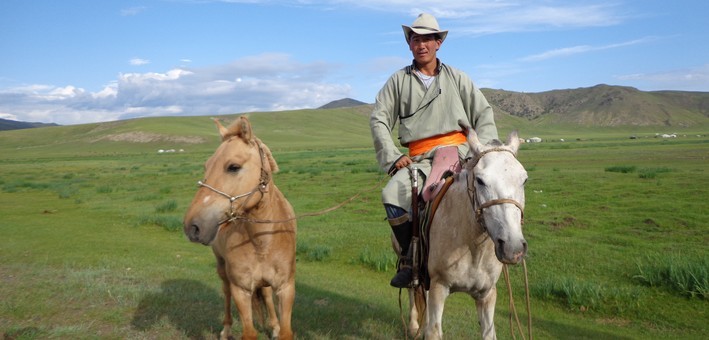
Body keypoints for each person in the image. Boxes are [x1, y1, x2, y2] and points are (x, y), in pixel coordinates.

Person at [370, 13, 499, 288]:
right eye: (415, 39)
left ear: (438, 43)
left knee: (496, 192)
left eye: (428, 38)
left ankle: (500, 249)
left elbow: (483, 113)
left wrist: (483, 153)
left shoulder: (458, 78)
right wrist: (393, 157)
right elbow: (379, 118)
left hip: (462, 154)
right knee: (391, 194)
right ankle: (410, 259)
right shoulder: (398, 81)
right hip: (421, 159)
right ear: (409, 44)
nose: (422, 44)